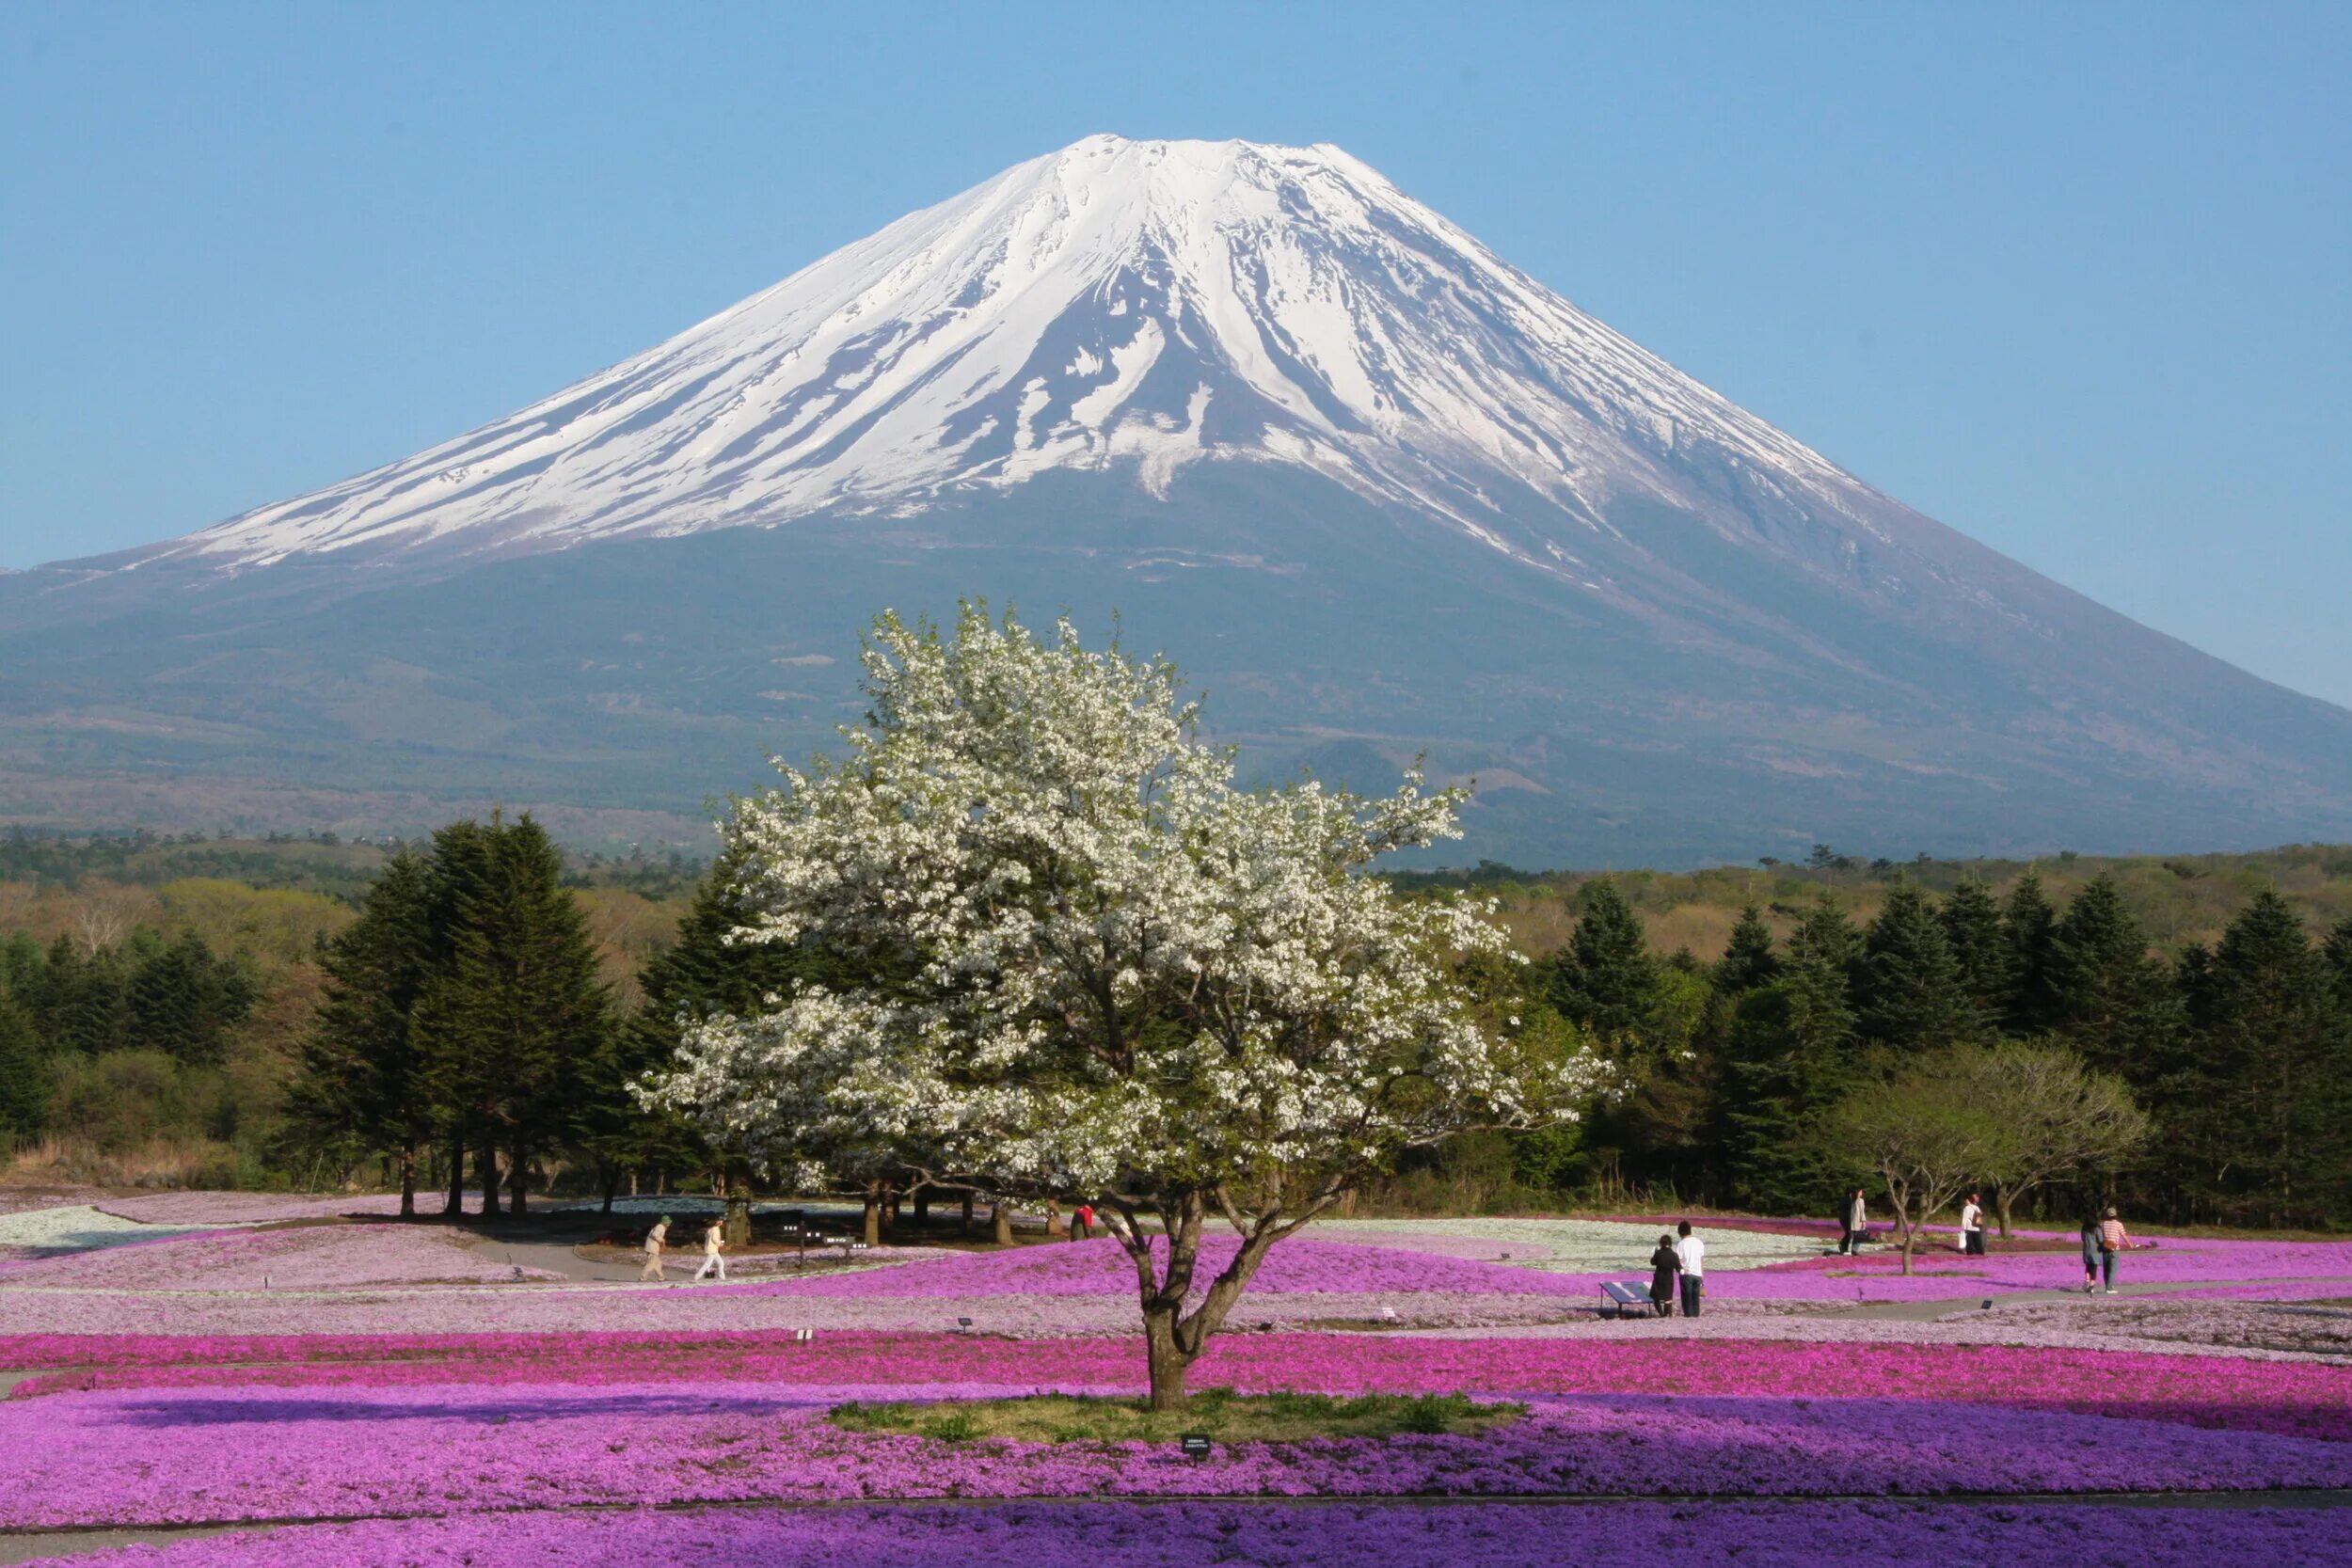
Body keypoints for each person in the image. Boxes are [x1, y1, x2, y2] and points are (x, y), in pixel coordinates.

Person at [2097, 1207, 2133, 1292]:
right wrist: (2130, 1244)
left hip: (2105, 1247)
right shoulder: (2118, 1224)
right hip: (2114, 1248)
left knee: (2106, 1268)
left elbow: (2100, 1235)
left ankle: (2107, 1286)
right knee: (2113, 1268)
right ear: (2115, 1215)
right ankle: (2109, 1288)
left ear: (2107, 1215)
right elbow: (2124, 1235)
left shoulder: (2103, 1224)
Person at [1674, 1220, 1706, 1318]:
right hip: (1697, 1274)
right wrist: (1702, 1275)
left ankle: (1688, 1316)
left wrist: (1680, 1270)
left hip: (1686, 1274)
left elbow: (1678, 1261)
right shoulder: (1699, 1243)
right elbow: (1701, 1260)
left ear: (1680, 1232)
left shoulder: (1681, 1244)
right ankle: (1696, 1315)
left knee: (1686, 1298)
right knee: (1695, 1297)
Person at [1647, 1232, 1680, 1317]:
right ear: (1670, 1244)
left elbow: (1652, 1262)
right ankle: (1667, 1314)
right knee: (1668, 1299)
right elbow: (1678, 1268)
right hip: (1669, 1279)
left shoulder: (1659, 1253)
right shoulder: (1674, 1255)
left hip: (1658, 1279)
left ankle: (1661, 1314)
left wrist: (1655, 1253)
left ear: (1661, 1243)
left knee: (1656, 1298)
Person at [693, 1216, 728, 1283]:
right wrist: (720, 1244)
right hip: (712, 1249)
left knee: (721, 1263)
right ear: (716, 1222)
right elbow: (714, 1239)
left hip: (712, 1249)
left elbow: (707, 1237)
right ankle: (697, 1276)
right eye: (719, 1221)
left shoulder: (710, 1229)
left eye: (721, 1221)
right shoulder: (716, 1229)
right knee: (707, 1264)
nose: (721, 1222)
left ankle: (722, 1278)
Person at [639, 1214, 672, 1283]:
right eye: (668, 1222)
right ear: (665, 1222)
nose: (669, 1224)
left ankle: (661, 1277)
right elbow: (654, 1235)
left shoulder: (660, 1226)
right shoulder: (660, 1227)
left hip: (652, 1247)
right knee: (651, 1264)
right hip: (652, 1248)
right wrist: (662, 1240)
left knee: (657, 1264)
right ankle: (643, 1278)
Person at [2079, 1213, 2103, 1293]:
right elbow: (2100, 1240)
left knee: (2088, 1267)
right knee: (2094, 1269)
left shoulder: (2084, 1228)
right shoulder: (2097, 1229)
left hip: (2086, 1250)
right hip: (2095, 1251)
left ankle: (2087, 1280)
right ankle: (2092, 1285)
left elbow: (2082, 1238)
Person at [1840, 1188, 1867, 1255]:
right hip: (1858, 1220)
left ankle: (1846, 1248)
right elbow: (1862, 1212)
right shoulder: (1861, 1200)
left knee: (1852, 1236)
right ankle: (1854, 1249)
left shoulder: (1852, 1200)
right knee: (1859, 1236)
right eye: (1861, 1191)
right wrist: (1864, 1221)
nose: (1862, 1192)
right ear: (1858, 1192)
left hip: (1852, 1220)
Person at [1960, 1193, 1986, 1257]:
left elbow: (1965, 1219)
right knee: (1978, 1241)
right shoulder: (1977, 1208)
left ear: (1969, 1200)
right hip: (1976, 1227)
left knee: (1969, 1241)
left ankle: (1970, 1253)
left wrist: (1963, 1227)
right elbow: (1981, 1215)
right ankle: (1980, 1252)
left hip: (1969, 1227)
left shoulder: (1967, 1208)